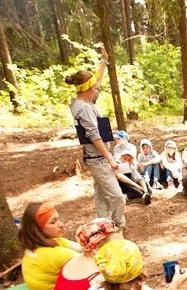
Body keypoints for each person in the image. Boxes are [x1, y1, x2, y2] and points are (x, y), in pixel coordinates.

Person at [66, 49, 125, 228]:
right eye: (94, 88)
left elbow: (96, 82)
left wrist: (103, 62)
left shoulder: (84, 102)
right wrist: (110, 158)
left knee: (100, 194)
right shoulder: (84, 109)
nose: (97, 89)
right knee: (118, 197)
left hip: (97, 158)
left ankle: (103, 225)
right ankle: (117, 227)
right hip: (98, 159)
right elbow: (94, 136)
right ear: (88, 89)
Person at [19, 202, 81, 290]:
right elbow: (96, 264)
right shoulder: (53, 254)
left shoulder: (42, 244)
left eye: (58, 219)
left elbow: (82, 248)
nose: (61, 224)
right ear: (38, 230)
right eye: (53, 222)